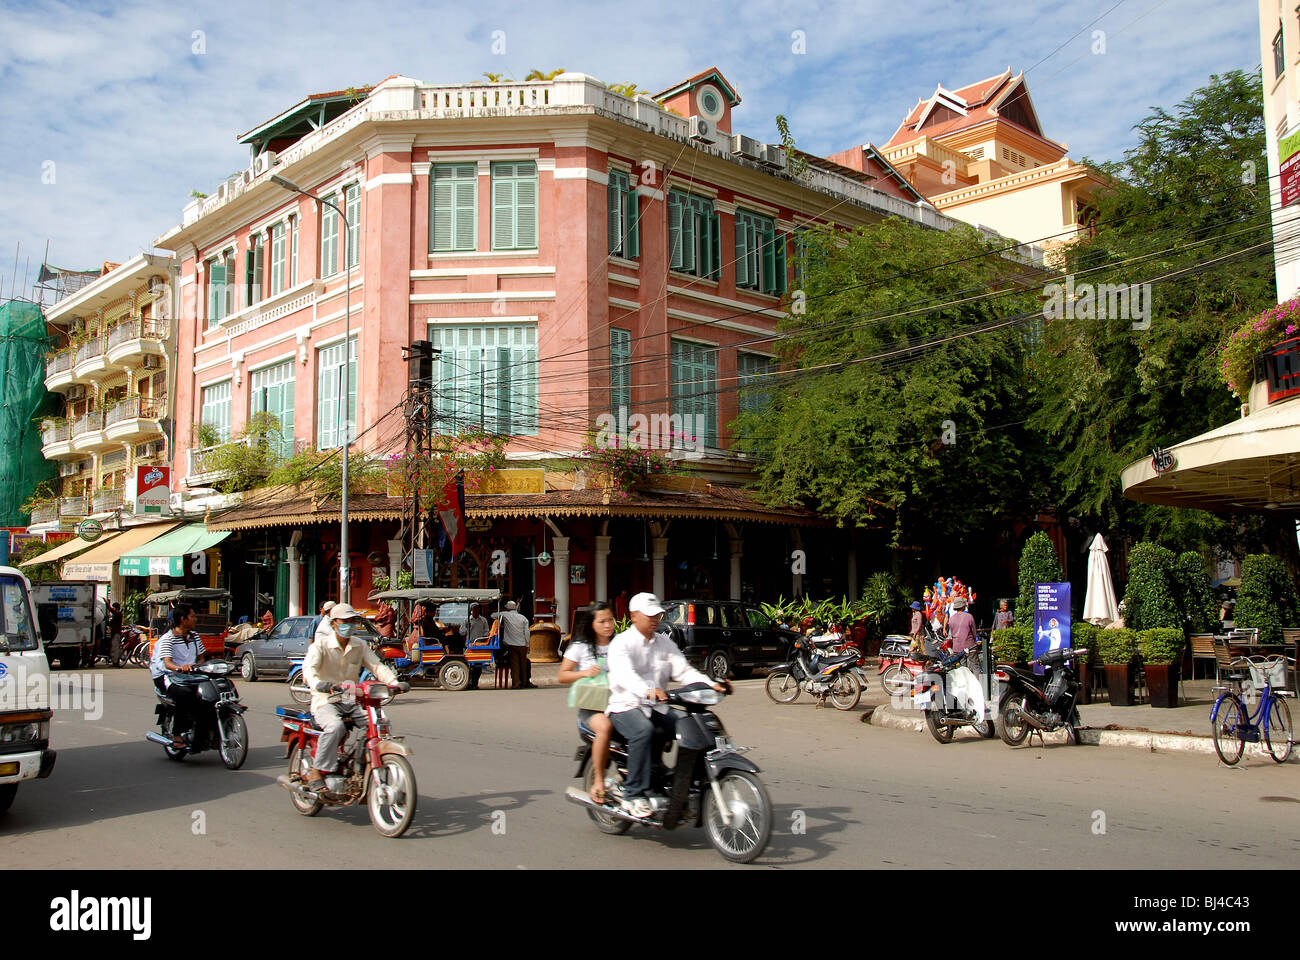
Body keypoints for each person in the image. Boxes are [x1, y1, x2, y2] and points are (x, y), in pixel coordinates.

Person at [606, 593, 727, 819]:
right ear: (633, 616)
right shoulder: (621, 643)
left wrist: (712, 685)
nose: (655, 619)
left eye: (657, 615)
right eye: (649, 615)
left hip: (658, 706)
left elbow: (683, 670)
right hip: (626, 706)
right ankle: (633, 794)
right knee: (644, 731)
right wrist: (647, 690)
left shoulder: (664, 642)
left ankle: (676, 782)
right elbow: (625, 675)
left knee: (690, 726)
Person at [301, 603, 400, 792]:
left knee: (380, 723)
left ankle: (360, 762)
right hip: (325, 700)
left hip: (349, 699)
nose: (349, 625)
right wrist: (319, 684)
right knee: (335, 727)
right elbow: (309, 670)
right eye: (344, 621)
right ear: (334, 623)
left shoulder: (359, 645)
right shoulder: (321, 645)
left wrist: (394, 683)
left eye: (352, 621)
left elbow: (376, 666)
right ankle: (316, 770)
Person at [557, 603, 617, 802]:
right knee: (604, 728)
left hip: (620, 704)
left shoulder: (620, 644)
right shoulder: (580, 647)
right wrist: (584, 673)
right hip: (592, 708)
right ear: (592, 624)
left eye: (611, 620)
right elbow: (562, 676)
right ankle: (599, 780)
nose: (608, 625)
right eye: (602, 621)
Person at [149, 603, 207, 748]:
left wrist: (196, 665)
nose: (196, 619)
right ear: (183, 619)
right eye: (193, 616)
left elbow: (201, 658)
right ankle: (177, 735)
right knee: (185, 695)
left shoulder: (195, 636)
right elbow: (167, 663)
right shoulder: (167, 639)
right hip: (166, 676)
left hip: (190, 674)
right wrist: (180, 668)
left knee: (214, 689)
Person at [492, 600, 533, 689]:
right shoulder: (523, 618)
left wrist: (502, 612)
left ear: (507, 608)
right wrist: (527, 643)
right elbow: (527, 632)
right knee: (523, 664)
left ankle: (516, 683)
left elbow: (493, 615)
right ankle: (524, 682)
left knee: (515, 665)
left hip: (512, 644)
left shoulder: (506, 615)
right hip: (522, 644)